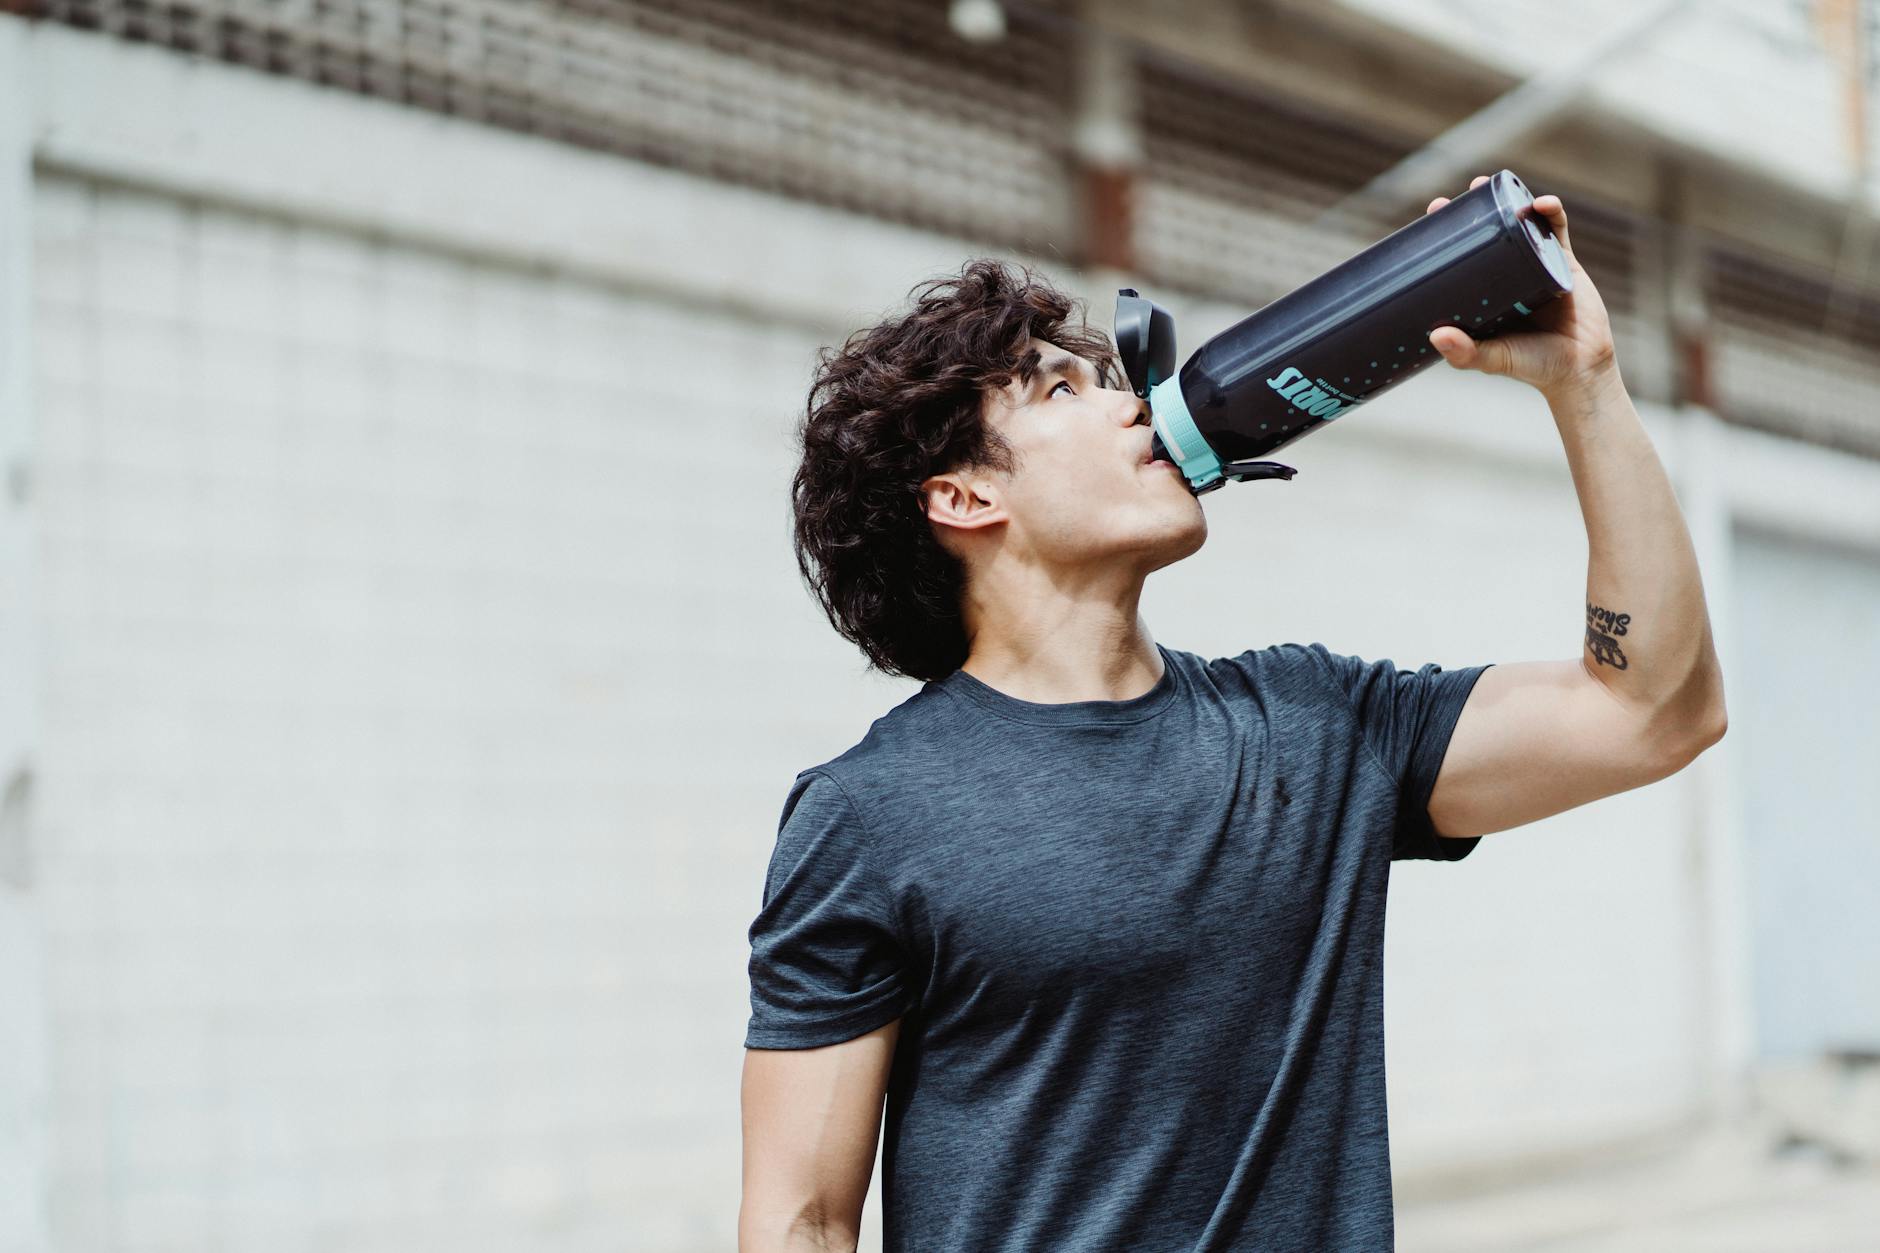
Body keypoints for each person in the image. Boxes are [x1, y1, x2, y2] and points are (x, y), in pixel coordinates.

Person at [738, 178, 1728, 1252]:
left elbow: (1651, 709)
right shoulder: (871, 814)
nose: (1132, 403)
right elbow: (800, 1218)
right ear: (965, 496)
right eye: (1060, 390)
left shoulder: (1314, 722)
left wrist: (1585, 384)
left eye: (1109, 377)